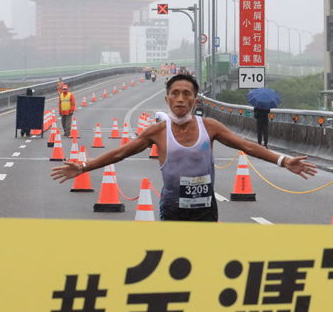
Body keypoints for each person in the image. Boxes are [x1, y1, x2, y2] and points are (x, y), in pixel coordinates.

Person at [51, 74, 316, 221]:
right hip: (172, 208)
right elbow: (120, 153)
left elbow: (246, 145)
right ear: (166, 99)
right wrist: (83, 167)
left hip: (205, 209)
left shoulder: (209, 127)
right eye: (175, 93)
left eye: (186, 94)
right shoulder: (157, 131)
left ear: (195, 100)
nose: (180, 99)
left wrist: (284, 161)